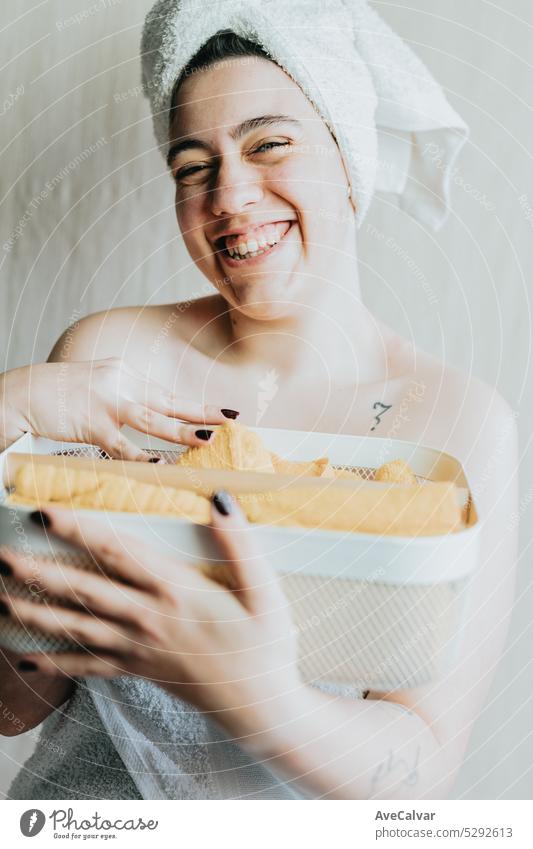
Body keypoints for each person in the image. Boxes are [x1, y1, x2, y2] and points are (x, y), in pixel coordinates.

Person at [0, 6, 518, 800]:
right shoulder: (113, 365)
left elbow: (418, 774)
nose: (229, 195)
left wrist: (246, 684)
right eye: (190, 166)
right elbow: (15, 703)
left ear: (348, 154)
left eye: (269, 143)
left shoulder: (454, 425)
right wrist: (11, 411)